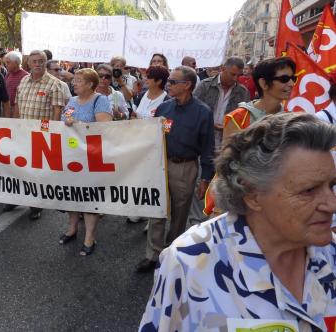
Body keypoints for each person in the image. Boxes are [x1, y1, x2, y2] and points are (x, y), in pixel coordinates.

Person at [140, 112, 336, 330]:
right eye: (309, 190)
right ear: (252, 195)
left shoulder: (331, 251)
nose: (332, 205)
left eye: (332, 185)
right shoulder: (190, 263)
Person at [136, 66, 215, 273]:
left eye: (172, 82)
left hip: (186, 167)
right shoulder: (164, 108)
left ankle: (171, 254)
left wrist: (205, 179)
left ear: (187, 85)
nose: (168, 85)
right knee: (157, 210)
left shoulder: (203, 112)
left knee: (180, 214)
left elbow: (208, 149)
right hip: (161, 165)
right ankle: (152, 255)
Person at [203, 57, 297, 217]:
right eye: (284, 79)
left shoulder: (291, 119)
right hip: (238, 203)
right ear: (263, 83)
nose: (291, 84)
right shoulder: (239, 117)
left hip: (274, 203)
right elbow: (227, 165)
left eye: (293, 78)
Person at [59, 68, 112, 255]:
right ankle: (72, 228)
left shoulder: (100, 100)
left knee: (89, 197)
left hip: (91, 157)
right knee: (72, 194)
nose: (74, 83)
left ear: (90, 84)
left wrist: (79, 125)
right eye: (74, 80)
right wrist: (66, 120)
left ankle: (90, 236)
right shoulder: (72, 101)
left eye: (79, 80)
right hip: (72, 155)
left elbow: (104, 128)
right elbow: (64, 118)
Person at [9, 50, 65, 220]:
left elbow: (57, 111)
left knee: (38, 172)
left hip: (43, 135)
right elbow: (17, 105)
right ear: (28, 63)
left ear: (45, 62)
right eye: (34, 61)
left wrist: (52, 134)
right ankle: (17, 197)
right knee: (21, 167)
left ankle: (37, 204)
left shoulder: (55, 84)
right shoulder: (24, 81)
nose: (37, 64)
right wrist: (15, 125)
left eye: (41, 61)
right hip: (24, 133)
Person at [194, 57, 250, 149]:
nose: (235, 78)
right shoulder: (205, 85)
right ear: (223, 69)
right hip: (203, 139)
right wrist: (209, 123)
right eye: (233, 74)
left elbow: (246, 118)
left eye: (239, 75)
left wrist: (230, 127)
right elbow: (193, 109)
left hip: (228, 144)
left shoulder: (243, 92)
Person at [3, 51, 28, 118]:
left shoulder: (26, 76)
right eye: (6, 62)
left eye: (8, 62)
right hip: (7, 108)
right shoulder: (8, 74)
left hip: (19, 110)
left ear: (16, 62)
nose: (6, 65)